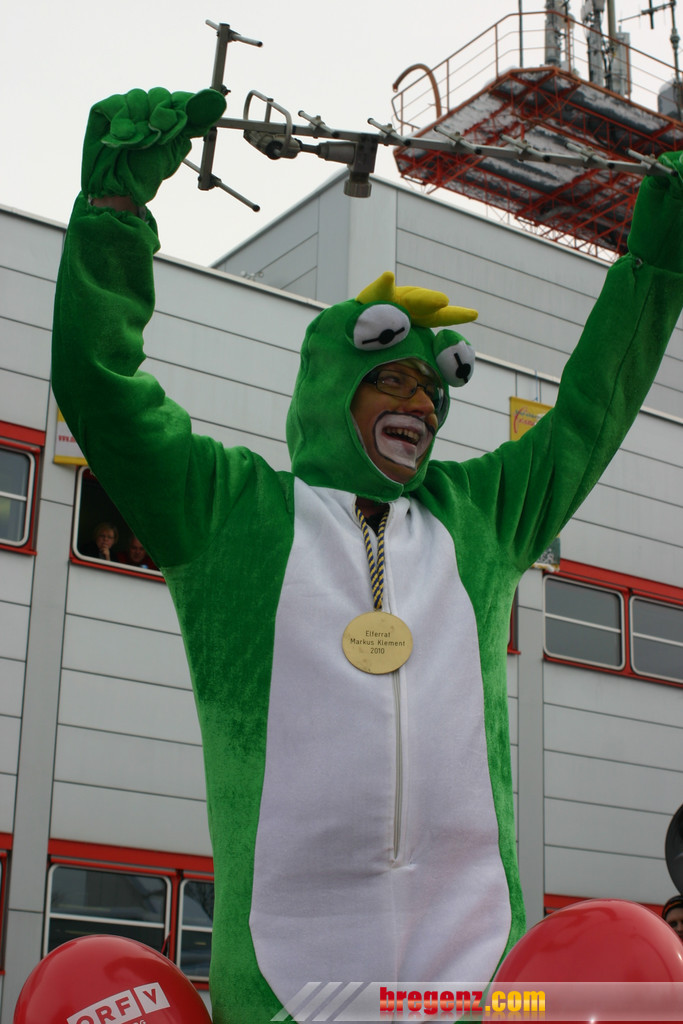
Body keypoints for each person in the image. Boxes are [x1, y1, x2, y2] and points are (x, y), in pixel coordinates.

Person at [51, 88, 683, 1024]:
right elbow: (100, 387)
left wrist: (658, 260)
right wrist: (114, 212)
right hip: (292, 991)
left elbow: (592, 410)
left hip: (476, 990)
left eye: (431, 390)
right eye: (390, 378)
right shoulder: (230, 512)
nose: (419, 405)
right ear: (329, 384)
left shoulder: (479, 518)